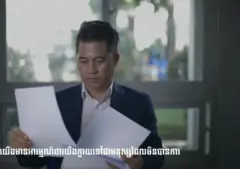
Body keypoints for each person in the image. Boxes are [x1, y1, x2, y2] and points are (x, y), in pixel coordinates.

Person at [10, 20, 164, 169]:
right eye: (83, 61)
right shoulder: (57, 104)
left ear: (115, 59)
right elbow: (35, 161)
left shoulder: (139, 104)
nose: (91, 70)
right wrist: (24, 149)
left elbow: (156, 155)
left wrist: (141, 163)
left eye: (99, 61)